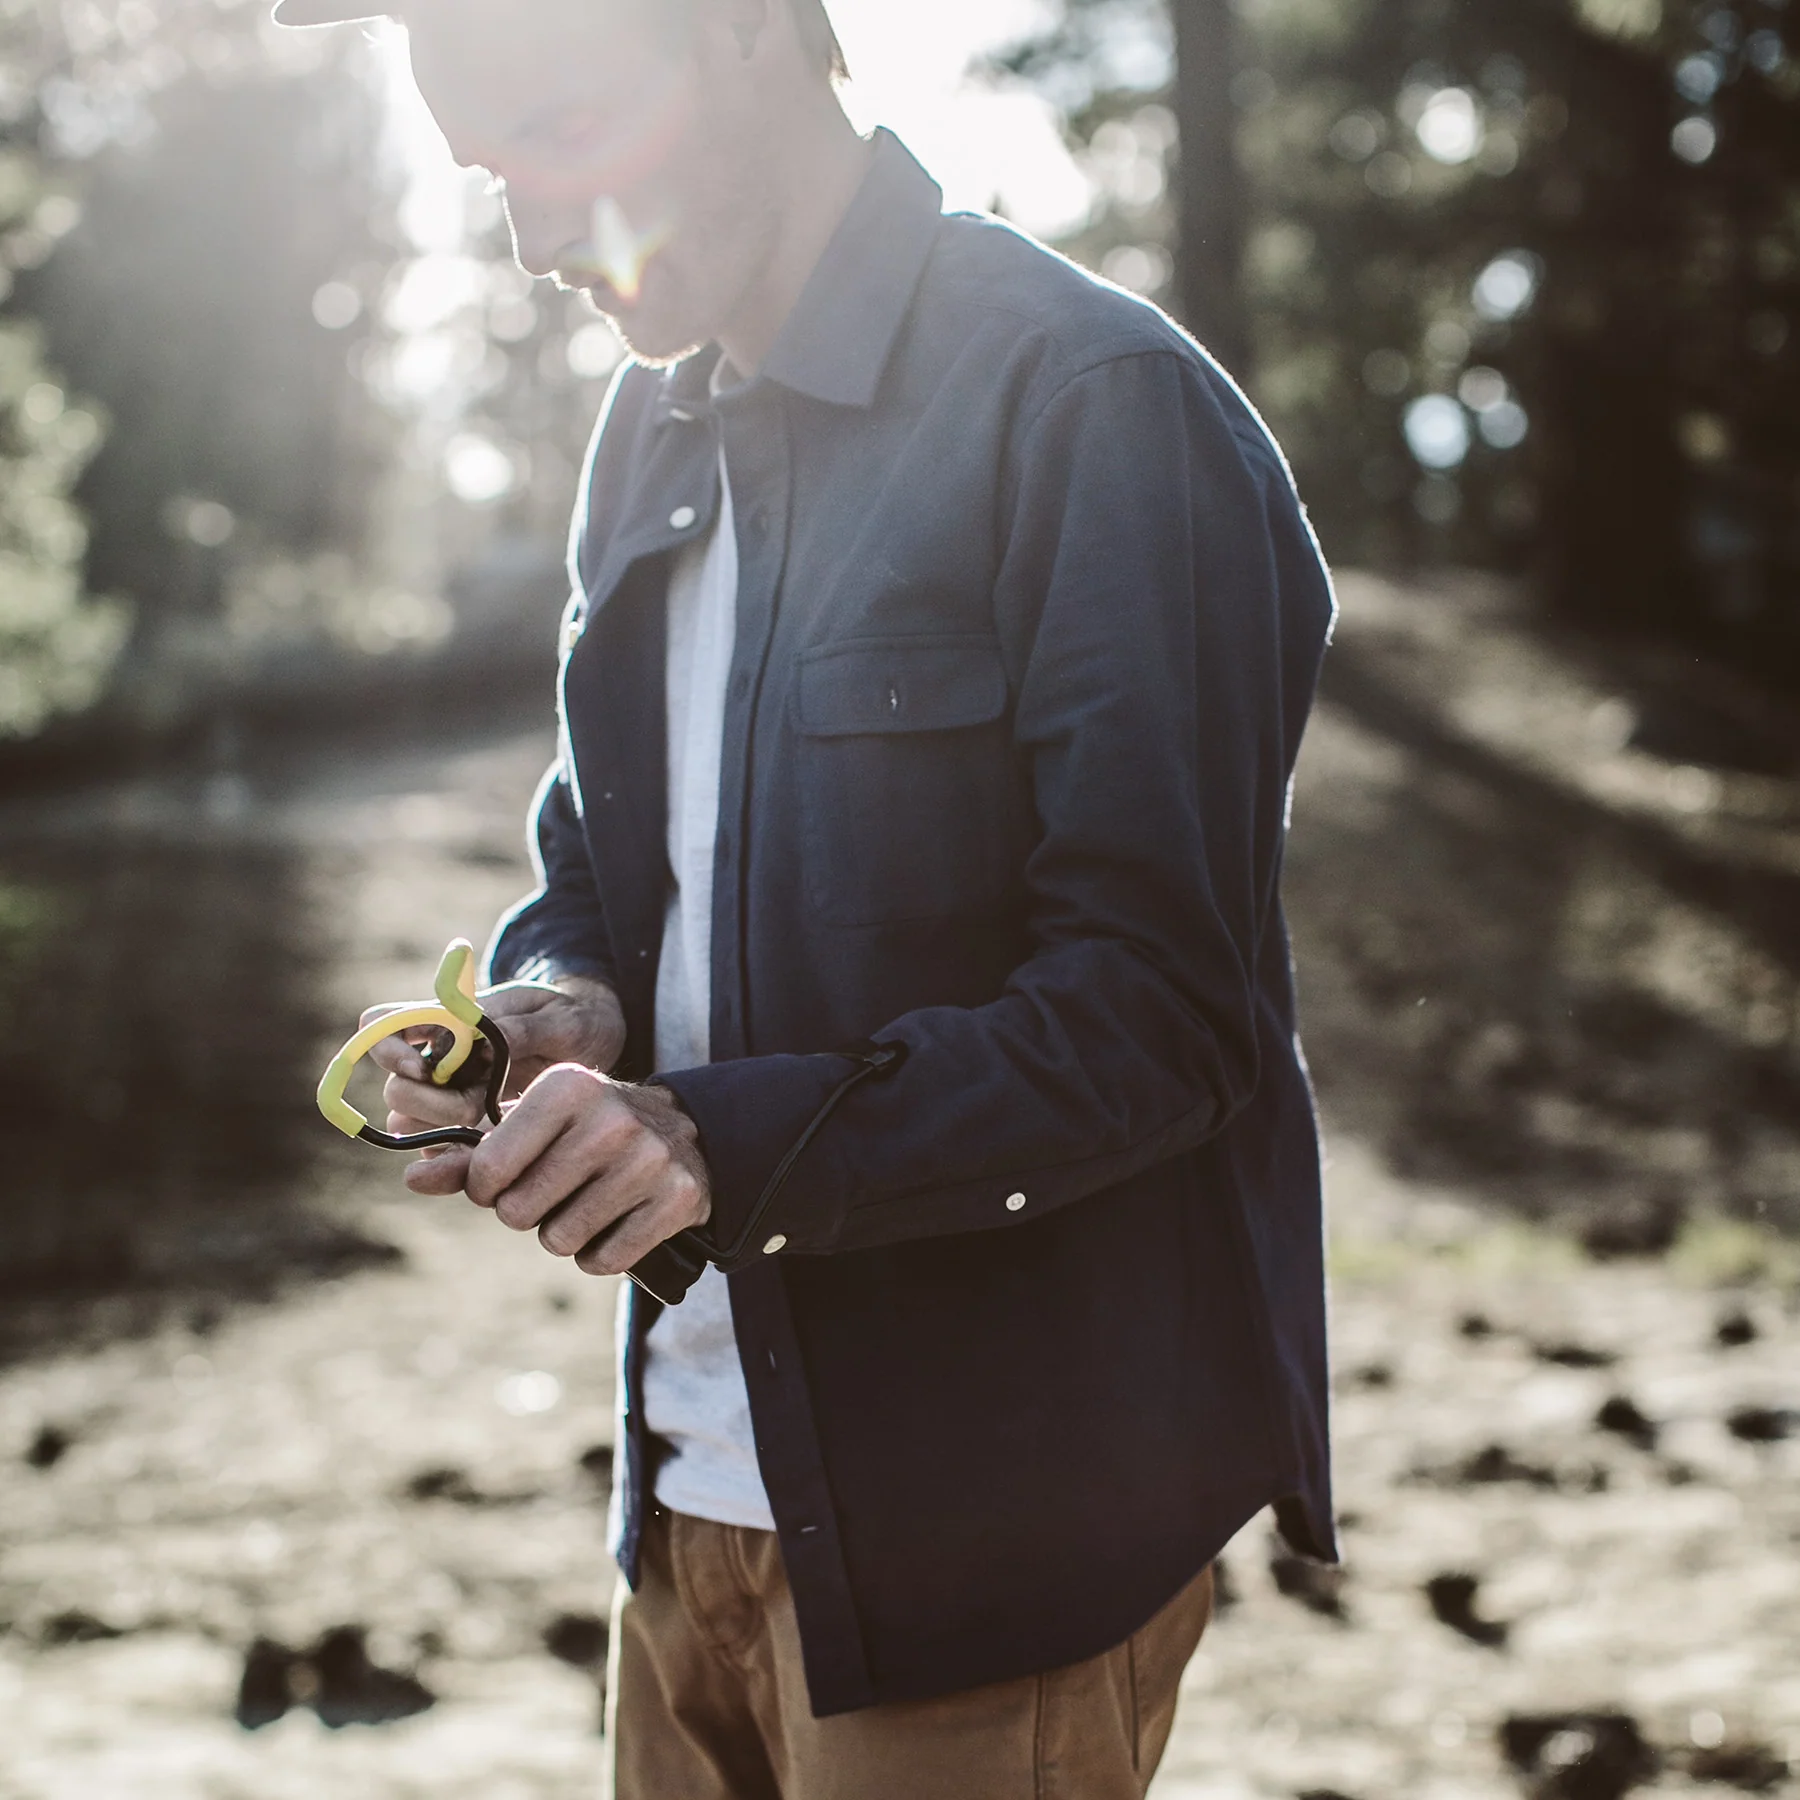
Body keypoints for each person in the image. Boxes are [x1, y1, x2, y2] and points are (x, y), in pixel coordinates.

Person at [285, 0, 1340, 1791]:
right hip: (680, 1509)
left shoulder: (1095, 408)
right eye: (486, 175)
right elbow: (602, 859)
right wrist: (564, 999)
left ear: (745, 33)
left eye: (557, 132)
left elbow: (1166, 1015)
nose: (535, 234)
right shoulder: (643, 434)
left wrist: (708, 1142)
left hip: (983, 1557)